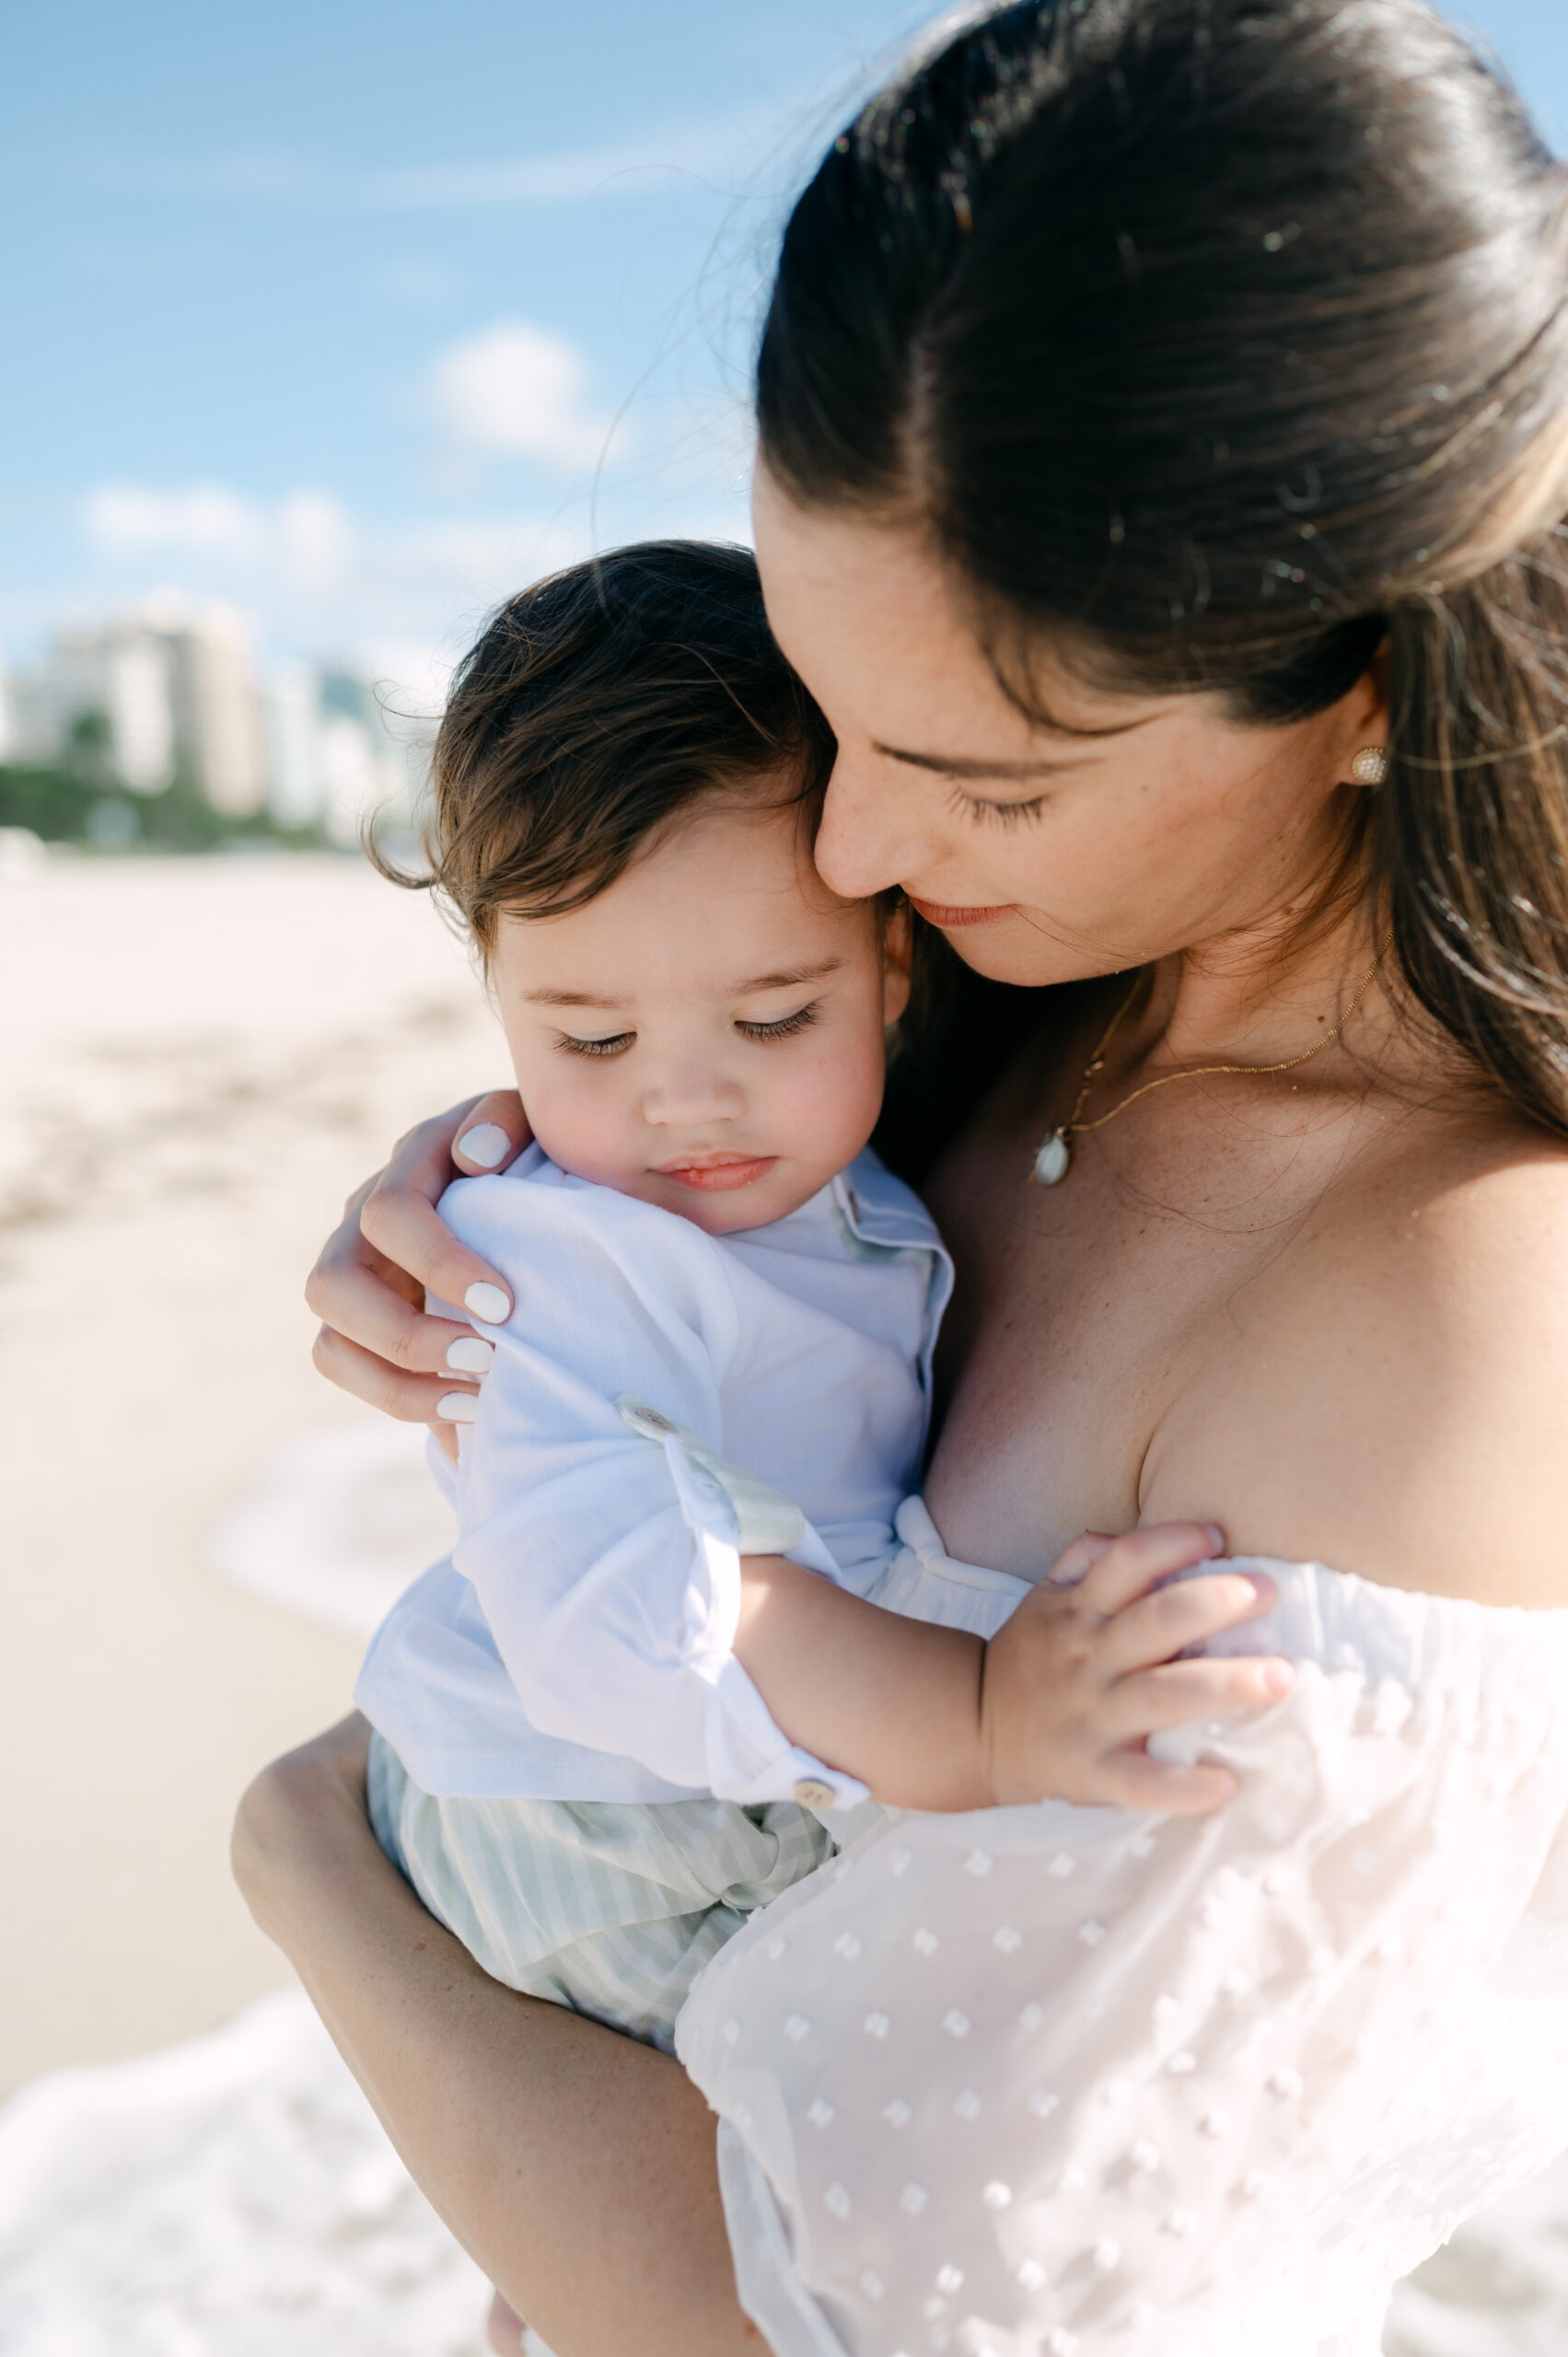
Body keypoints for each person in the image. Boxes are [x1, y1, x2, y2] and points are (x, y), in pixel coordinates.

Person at [234, 3, 1568, 2351]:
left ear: (1364, 692)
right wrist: (515, 1204)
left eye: (985, 772)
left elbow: (835, 2326)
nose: (852, 844)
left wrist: (306, 1860)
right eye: (825, 706)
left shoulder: (1452, 1318)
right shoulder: (992, 983)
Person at [359, 537, 1283, 2059]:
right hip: (578, 1824)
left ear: (893, 965)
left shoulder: (857, 1189)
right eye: (589, 1041)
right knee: (755, 2179)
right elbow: (621, 1608)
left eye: (775, 1015)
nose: (684, 1102)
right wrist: (978, 1712)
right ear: (497, 993)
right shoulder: (559, 1261)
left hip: (670, 1794)